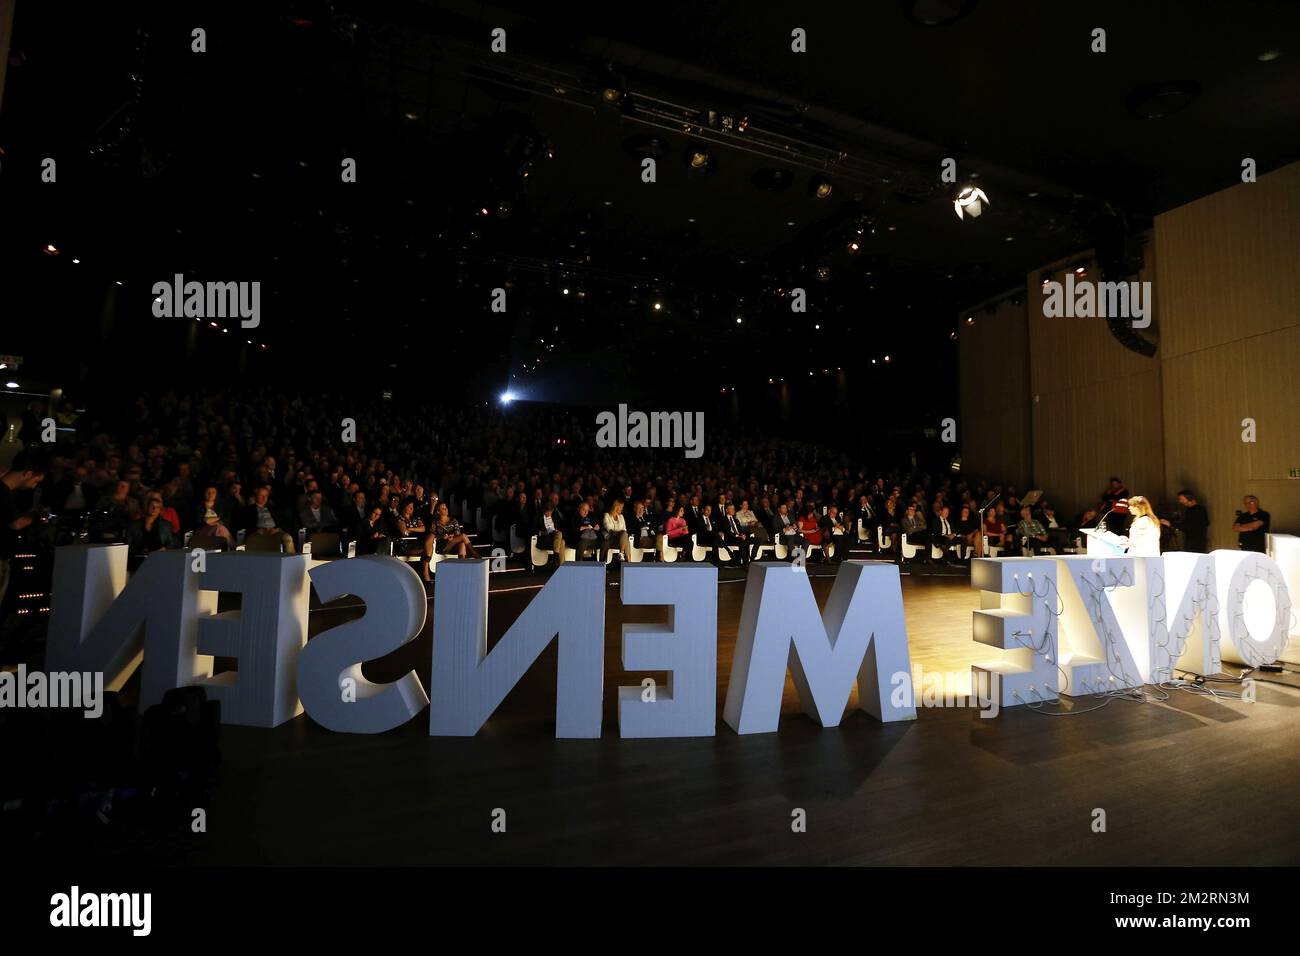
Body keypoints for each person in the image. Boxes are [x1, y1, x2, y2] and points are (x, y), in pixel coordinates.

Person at [0, 450, 48, 610]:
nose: (34, 486)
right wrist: (35, 515)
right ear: (28, 474)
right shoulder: (3, 493)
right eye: (35, 481)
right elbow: (16, 523)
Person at [126, 492, 177, 563]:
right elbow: (127, 547)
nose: (154, 509)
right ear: (146, 507)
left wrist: (164, 549)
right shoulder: (133, 525)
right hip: (139, 560)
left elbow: (171, 543)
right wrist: (140, 551)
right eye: (152, 506)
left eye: (157, 507)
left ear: (160, 510)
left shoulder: (166, 525)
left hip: (160, 559)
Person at [532, 501, 566, 567]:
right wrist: (541, 532)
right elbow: (532, 530)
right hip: (545, 540)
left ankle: (557, 558)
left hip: (555, 540)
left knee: (561, 538)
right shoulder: (538, 517)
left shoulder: (555, 516)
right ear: (543, 510)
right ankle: (557, 558)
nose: (549, 514)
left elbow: (560, 526)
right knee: (561, 540)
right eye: (547, 512)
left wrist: (555, 531)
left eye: (551, 512)